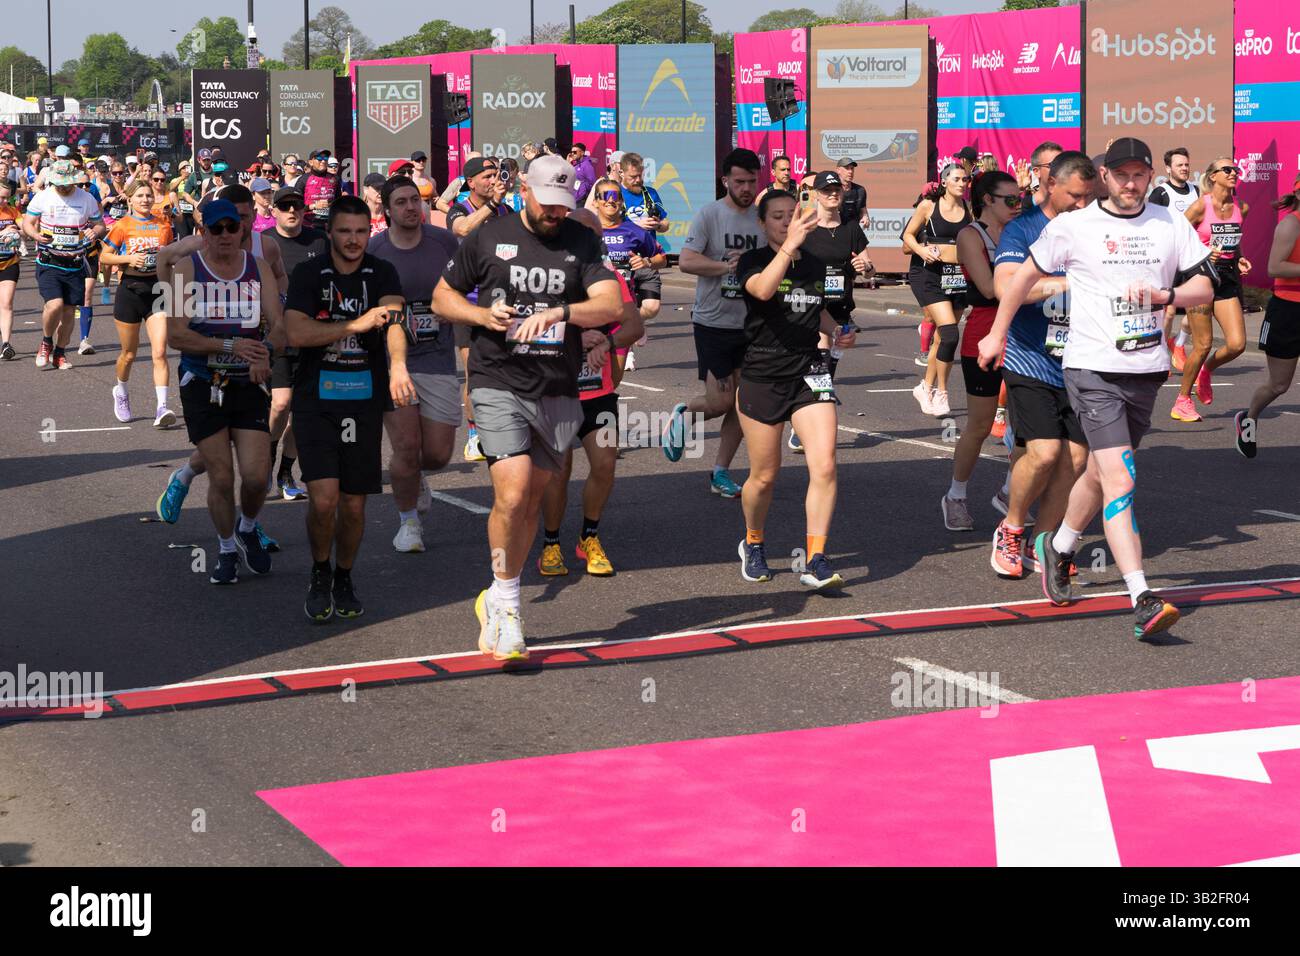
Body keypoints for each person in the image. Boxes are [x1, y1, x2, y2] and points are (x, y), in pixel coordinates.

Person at [986, 138, 1216, 639]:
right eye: (1121, 174)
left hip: (1146, 369)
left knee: (1097, 470)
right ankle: (1142, 596)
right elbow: (1021, 280)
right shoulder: (1075, 226)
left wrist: (1166, 295)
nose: (1130, 183)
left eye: (1139, 174)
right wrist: (997, 333)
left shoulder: (1169, 222)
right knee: (1121, 479)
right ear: (1105, 176)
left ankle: (1059, 547)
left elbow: (1205, 286)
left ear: (1150, 176)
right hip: (1091, 370)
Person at [431, 154, 624, 661]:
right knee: (514, 492)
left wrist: (560, 313)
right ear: (523, 190)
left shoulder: (582, 240)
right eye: (546, 202)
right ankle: (510, 605)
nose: (555, 213)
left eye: (563, 204)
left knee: (532, 500)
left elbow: (611, 305)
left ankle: (496, 596)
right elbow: (442, 298)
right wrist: (481, 316)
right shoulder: (489, 236)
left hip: (557, 387)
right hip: (498, 379)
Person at [284, 195, 412, 622]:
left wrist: (398, 367)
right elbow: (296, 332)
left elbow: (394, 321)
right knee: (323, 500)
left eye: (361, 231)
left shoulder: (382, 271)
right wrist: (355, 324)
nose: (354, 240)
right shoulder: (309, 273)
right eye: (345, 232)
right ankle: (320, 571)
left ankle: (344, 575)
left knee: (354, 504)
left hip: (362, 399)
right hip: (316, 400)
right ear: (330, 233)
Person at [977, 151, 1095, 578]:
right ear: (1051, 185)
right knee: (1044, 454)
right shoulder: (1023, 228)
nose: (1082, 205)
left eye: (1089, 197)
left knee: (1076, 460)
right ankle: (1011, 528)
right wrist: (1069, 281)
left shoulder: (1094, 229)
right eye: (1075, 196)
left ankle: (1041, 541)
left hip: (1081, 361)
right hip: (1030, 359)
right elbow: (1007, 287)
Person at [733, 189, 856, 589]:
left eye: (792, 214)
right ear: (762, 223)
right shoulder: (752, 260)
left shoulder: (815, 265)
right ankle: (753, 542)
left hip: (809, 370)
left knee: (825, 465)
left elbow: (815, 309)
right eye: (777, 216)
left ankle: (816, 559)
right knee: (764, 477)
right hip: (763, 373)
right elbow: (763, 291)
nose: (787, 222)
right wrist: (787, 249)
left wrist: (837, 329)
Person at [164, 199, 282, 585]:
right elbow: (176, 335)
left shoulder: (258, 268)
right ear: (204, 233)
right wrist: (230, 345)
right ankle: (227, 548)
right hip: (203, 383)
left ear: (242, 230)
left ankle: (247, 528)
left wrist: (264, 352)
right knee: (221, 475)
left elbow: (278, 325)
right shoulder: (187, 270)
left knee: (256, 477)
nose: (226, 235)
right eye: (217, 229)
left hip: (248, 383)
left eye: (233, 227)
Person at [538, 208, 645, 577]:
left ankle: (589, 537)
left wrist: (607, 341)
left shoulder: (609, 277)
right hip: (555, 390)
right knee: (558, 471)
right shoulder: (547, 275)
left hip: (597, 392)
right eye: (581, 233)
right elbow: (525, 327)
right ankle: (551, 544)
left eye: (594, 235)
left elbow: (633, 325)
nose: (590, 241)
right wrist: (573, 339)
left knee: (605, 464)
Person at [368, 176, 461, 553]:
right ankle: (408, 523)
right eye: (401, 202)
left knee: (437, 455)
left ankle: (416, 474)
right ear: (388, 210)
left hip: (438, 358)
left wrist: (454, 310)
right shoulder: (375, 250)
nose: (411, 207)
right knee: (406, 446)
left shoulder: (445, 242)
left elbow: (466, 285)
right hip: (394, 364)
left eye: (415, 200)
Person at [665, 148, 765, 498]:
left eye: (752, 181)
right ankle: (685, 413)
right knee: (720, 401)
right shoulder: (710, 214)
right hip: (714, 322)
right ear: (725, 180)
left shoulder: (763, 219)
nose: (746, 188)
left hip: (753, 324)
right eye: (740, 182)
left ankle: (720, 471)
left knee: (744, 401)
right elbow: (686, 261)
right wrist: (726, 267)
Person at [940, 171, 1021, 531]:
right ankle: (955, 495)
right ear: (987, 200)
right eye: (1011, 200)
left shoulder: (1021, 231)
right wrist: (1038, 283)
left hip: (1023, 336)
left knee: (1029, 425)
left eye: (1021, 199)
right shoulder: (971, 235)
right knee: (980, 424)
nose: (1018, 206)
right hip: (983, 336)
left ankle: (1010, 493)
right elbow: (989, 289)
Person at [790, 169, 873, 452]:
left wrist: (865, 267)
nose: (833, 194)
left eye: (836, 189)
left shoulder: (850, 227)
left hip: (840, 306)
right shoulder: (807, 227)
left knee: (827, 370)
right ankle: (805, 427)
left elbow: (868, 265)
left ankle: (803, 413)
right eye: (826, 191)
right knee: (822, 363)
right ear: (816, 195)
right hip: (813, 306)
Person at [1170, 158, 1250, 423]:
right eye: (1227, 169)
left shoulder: (1241, 207)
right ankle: (1182, 401)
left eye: (1235, 169)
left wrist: (1240, 257)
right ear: (1213, 176)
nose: (1233, 173)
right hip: (1199, 277)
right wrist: (1203, 253)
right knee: (1203, 344)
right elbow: (1176, 239)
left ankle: (1207, 370)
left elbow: (1234, 240)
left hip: (1227, 277)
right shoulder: (1200, 206)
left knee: (1237, 344)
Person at [264, 186, 330, 499]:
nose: (292, 211)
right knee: (280, 404)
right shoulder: (265, 243)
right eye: (285, 206)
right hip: (278, 336)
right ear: (273, 211)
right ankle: (266, 457)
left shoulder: (319, 240)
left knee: (304, 413)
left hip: (313, 336)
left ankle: (286, 472)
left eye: (297, 206)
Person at [446, 155, 511, 462]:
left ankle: (504, 426)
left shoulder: (507, 210)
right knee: (476, 370)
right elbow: (462, 230)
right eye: (487, 176)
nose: (494, 180)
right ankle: (474, 435)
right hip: (466, 303)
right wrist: (493, 204)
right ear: (471, 182)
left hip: (501, 302)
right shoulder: (460, 208)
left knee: (508, 369)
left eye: (496, 175)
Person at [99, 178, 176, 427]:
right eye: (140, 196)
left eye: (148, 195)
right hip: (130, 292)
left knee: (160, 351)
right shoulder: (123, 225)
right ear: (130, 199)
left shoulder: (163, 225)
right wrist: (129, 258)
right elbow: (105, 257)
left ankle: (162, 407)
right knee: (129, 354)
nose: (145, 199)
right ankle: (121, 391)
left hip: (157, 291)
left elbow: (170, 257)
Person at [1234, 174, 1300, 459]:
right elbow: (1275, 267)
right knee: (1279, 385)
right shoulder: (1290, 224)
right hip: (1288, 311)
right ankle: (1248, 417)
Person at [902, 163, 971, 416]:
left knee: (942, 338)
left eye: (965, 179)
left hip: (957, 277)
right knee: (951, 334)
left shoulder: (969, 208)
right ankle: (942, 392)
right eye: (957, 179)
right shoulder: (929, 206)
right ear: (944, 182)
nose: (962, 183)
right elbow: (908, 236)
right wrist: (922, 251)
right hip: (929, 274)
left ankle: (925, 387)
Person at [23, 160, 105, 370]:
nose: (63, 187)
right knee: (54, 305)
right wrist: (35, 236)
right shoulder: (43, 196)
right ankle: (46, 342)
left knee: (69, 312)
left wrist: (94, 232)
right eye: (59, 183)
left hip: (75, 263)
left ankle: (60, 352)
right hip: (49, 260)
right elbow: (27, 223)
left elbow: (100, 224)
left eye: (67, 183)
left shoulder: (86, 198)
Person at [591, 177, 665, 371]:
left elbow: (662, 258)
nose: (610, 200)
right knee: (593, 376)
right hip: (592, 312)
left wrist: (646, 262)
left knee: (615, 377)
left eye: (615, 196)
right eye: (605, 195)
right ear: (595, 201)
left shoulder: (634, 231)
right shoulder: (585, 232)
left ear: (621, 201)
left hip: (622, 311)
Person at [1150, 148, 1200, 370]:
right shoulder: (1160, 193)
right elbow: (1151, 225)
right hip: (1168, 259)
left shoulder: (1196, 191)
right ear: (1168, 168)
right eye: (1180, 165)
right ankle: (1161, 354)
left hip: (1192, 257)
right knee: (1168, 312)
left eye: (1186, 164)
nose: (1184, 168)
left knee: (1199, 307)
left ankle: (1178, 343)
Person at [619, 153, 670, 236]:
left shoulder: (651, 193)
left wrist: (658, 225)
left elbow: (665, 223)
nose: (638, 180)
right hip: (625, 244)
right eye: (633, 176)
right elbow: (608, 227)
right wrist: (636, 227)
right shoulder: (614, 194)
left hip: (648, 244)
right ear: (621, 173)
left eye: (640, 175)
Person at [0, 179, 20, 359]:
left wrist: (16, 232)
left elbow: (27, 229)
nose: (5, 201)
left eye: (7, 198)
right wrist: (2, 233)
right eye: (1, 197)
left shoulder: (12, 211)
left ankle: (6, 344)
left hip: (9, 263)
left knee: (6, 303)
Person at [299, 150, 340, 229]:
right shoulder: (303, 179)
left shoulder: (335, 178)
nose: (323, 161)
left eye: (325, 158)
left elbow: (339, 203)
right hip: (309, 224)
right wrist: (313, 206)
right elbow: (296, 205)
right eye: (319, 158)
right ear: (311, 162)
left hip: (329, 224)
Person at [835, 157, 869, 230]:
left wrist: (865, 217)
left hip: (854, 231)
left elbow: (863, 210)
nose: (850, 171)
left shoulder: (860, 190)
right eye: (847, 168)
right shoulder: (832, 190)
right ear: (838, 170)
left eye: (852, 168)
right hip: (835, 230)